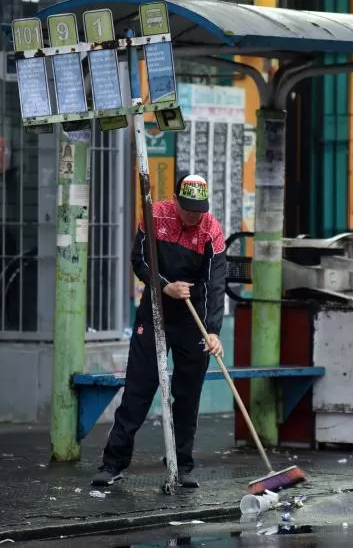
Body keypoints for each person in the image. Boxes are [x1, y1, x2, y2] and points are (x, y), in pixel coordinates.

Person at [91, 173, 227, 488]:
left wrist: (213, 330)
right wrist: (165, 287)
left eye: (199, 209)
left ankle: (182, 465)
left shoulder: (211, 231)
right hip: (154, 310)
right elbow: (138, 261)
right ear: (176, 201)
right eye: (188, 208)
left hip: (193, 319)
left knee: (188, 394)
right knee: (139, 388)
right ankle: (113, 463)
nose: (194, 215)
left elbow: (216, 283)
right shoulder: (155, 215)